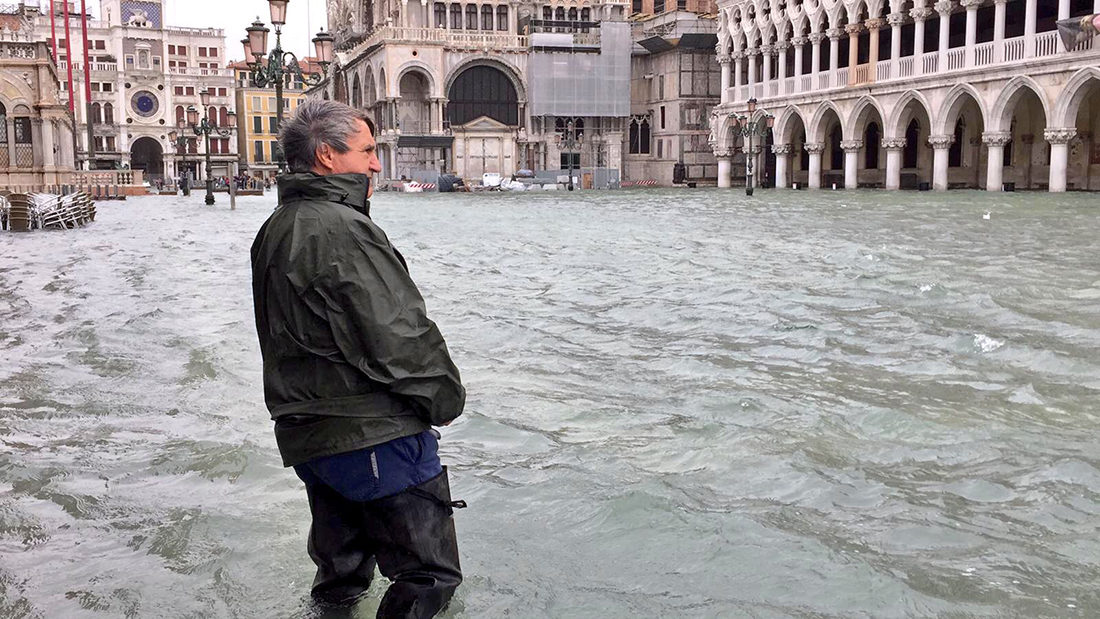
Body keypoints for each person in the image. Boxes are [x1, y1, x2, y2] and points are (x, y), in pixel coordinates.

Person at [250, 99, 466, 617]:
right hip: (371, 434)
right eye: (367, 151)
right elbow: (397, 336)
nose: (376, 163)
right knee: (428, 576)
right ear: (327, 155)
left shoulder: (278, 225)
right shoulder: (341, 228)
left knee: (340, 577)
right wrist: (444, 400)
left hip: (311, 436)